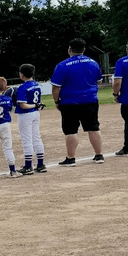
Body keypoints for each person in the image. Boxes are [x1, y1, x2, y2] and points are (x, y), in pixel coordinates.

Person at [50, 38, 105, 166]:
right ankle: (99, 155)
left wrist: (56, 101)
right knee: (93, 127)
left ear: (70, 49)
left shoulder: (62, 65)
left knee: (71, 130)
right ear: (84, 49)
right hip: (90, 100)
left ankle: (71, 158)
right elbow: (98, 81)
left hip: (69, 102)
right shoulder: (93, 63)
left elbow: (55, 87)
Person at [13, 64, 47, 174]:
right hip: (35, 114)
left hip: (26, 114)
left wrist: (34, 105)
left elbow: (23, 105)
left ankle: (28, 166)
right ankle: (41, 164)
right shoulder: (36, 85)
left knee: (27, 139)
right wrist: (36, 106)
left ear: (21, 75)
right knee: (36, 137)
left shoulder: (22, 88)